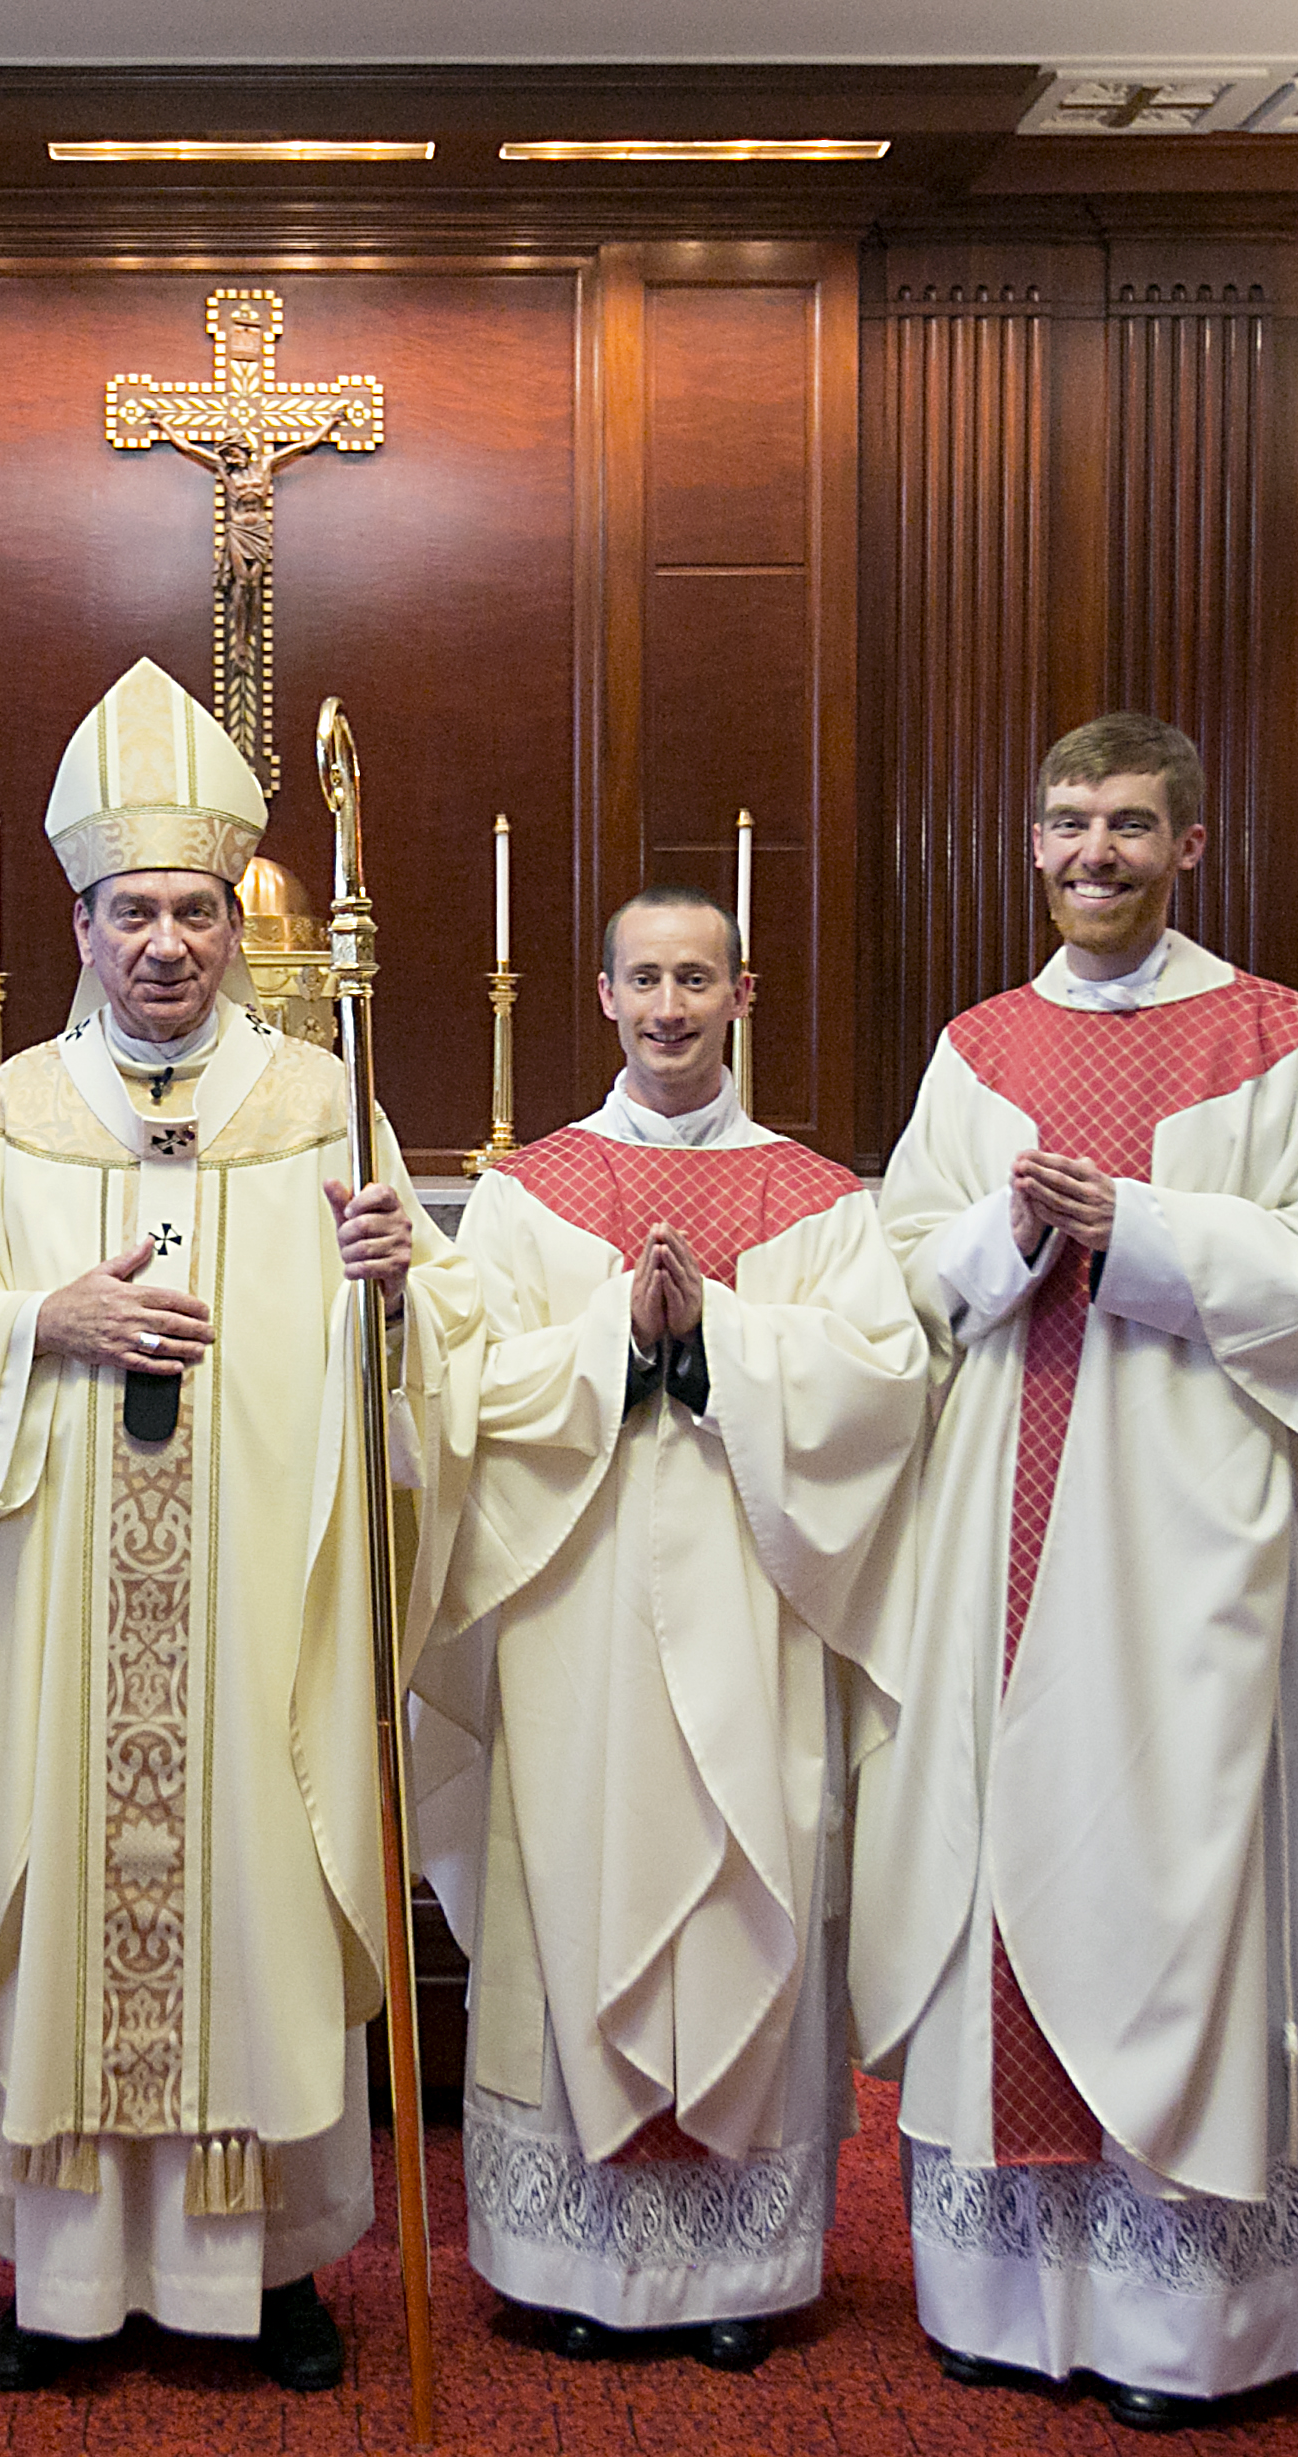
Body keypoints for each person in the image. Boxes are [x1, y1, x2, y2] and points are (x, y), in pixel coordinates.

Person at [0, 656, 480, 2393]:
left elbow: (431, 1354)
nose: (167, 944)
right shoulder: (7, 1124)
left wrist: (397, 1296)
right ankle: (57, 2287)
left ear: (241, 925)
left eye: (198, 913)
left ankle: (268, 2274)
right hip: (62, 1598)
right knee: (70, 1883)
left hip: (255, 1627)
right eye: (134, 911)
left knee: (256, 1891)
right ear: (78, 923)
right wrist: (31, 1326)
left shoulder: (320, 1106)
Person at [852, 712, 1298, 2431]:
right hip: (1001, 1530)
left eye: (1131, 825)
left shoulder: (1282, 1039)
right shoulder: (980, 1046)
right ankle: (1007, 2301)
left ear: (1191, 844)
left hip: (1196, 1546)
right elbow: (896, 1276)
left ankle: (1190, 2327)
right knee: (1001, 1873)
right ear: (1031, 847)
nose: (1095, 851)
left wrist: (1149, 1233)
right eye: (1068, 823)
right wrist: (1009, 1236)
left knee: (1188, 1875)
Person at [414, 886, 925, 2370]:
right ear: (603, 994)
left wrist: (717, 1343)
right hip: (575, 1618)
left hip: (759, 1617)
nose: (671, 1007)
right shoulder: (525, 1193)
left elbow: (881, 1392)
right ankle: (569, 2262)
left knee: (740, 1887)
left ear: (741, 996)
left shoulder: (822, 1198)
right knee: (579, 1885)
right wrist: (610, 1344)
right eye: (646, 980)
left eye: (696, 980)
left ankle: (738, 2278)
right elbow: (466, 1394)